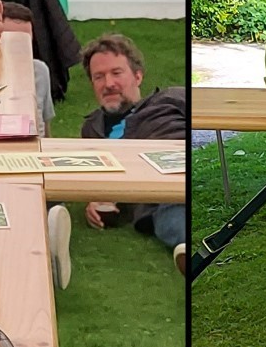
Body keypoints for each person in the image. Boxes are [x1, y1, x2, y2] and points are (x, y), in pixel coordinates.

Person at [79, 34, 186, 273]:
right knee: (168, 213)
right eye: (99, 77)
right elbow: (96, 177)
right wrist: (93, 198)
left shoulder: (169, 99)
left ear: (137, 76)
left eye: (116, 73)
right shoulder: (92, 130)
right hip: (159, 198)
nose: (108, 84)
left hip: (184, 166)